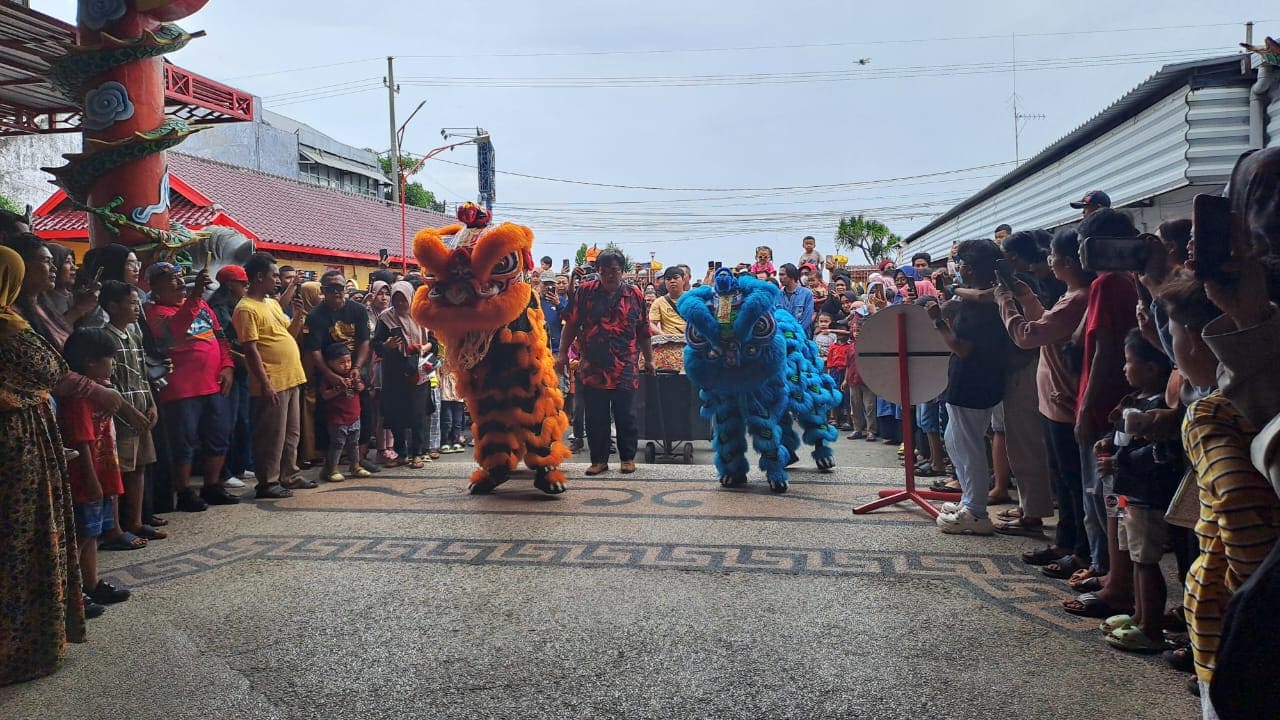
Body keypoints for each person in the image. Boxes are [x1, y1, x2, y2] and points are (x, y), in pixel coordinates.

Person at [0, 246, 88, 686]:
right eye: (41, 264)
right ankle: (20, 648)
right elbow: (53, 369)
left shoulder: (16, 317)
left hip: (27, 437)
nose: (52, 269)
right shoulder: (6, 327)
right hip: (15, 446)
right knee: (24, 537)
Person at [995, 228, 1093, 580]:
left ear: (1067, 262)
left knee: (1073, 481)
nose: (1047, 261)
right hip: (1054, 402)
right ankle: (1067, 543)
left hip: (1064, 402)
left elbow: (1028, 335)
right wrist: (1022, 293)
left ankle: (1081, 550)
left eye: (1051, 256)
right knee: (1064, 479)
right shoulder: (1071, 296)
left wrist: (1005, 300)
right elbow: (1043, 320)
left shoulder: (1079, 298)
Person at [1096, 330, 1181, 653]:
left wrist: (1118, 463)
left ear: (1152, 368)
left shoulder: (1159, 409)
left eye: (1129, 362)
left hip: (1144, 494)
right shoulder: (1136, 401)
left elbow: (1157, 454)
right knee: (1133, 554)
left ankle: (1151, 627)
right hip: (1124, 493)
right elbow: (1124, 438)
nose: (1123, 368)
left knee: (1146, 559)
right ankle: (1138, 614)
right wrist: (1108, 438)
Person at [1072, 208, 1140, 596]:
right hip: (1117, 401)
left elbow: (1104, 349)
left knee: (1104, 494)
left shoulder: (1108, 283)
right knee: (1111, 494)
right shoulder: (1126, 280)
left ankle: (1112, 573)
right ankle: (1110, 569)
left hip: (1102, 405)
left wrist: (1085, 408)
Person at [928, 239, 1014, 535]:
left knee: (968, 447)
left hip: (973, 382)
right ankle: (968, 500)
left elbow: (961, 347)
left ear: (971, 267)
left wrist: (939, 322)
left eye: (961, 262)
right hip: (974, 381)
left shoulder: (980, 307)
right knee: (956, 440)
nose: (958, 267)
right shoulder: (979, 299)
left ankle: (976, 511)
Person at [145, 262, 237, 511]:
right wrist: (195, 296)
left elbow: (220, 337)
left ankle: (213, 485)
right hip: (182, 389)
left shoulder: (203, 305)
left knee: (219, 436)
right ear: (154, 287)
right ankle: (183, 491)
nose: (177, 283)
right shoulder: (155, 312)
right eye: (170, 279)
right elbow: (174, 332)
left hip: (214, 384)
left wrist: (227, 366)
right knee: (184, 442)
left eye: (178, 277)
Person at [556, 247, 653, 476]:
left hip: (625, 365)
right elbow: (570, 324)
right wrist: (562, 355)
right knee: (595, 416)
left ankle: (627, 458)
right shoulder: (585, 292)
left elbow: (643, 329)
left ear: (622, 271)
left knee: (626, 414)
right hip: (593, 366)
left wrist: (649, 359)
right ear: (598, 271)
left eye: (615, 270)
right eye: (605, 270)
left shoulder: (635, 294)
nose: (610, 275)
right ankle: (598, 460)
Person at [58, 328, 133, 615]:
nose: (113, 364)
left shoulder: (97, 391)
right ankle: (70, 593)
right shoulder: (78, 399)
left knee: (93, 534)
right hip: (85, 477)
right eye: (110, 359)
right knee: (80, 535)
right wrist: (91, 479)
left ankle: (91, 583)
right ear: (91, 362)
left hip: (101, 473)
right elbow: (82, 441)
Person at [233, 253, 308, 499]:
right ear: (258, 277)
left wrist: (297, 316)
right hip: (272, 379)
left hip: (292, 376)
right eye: (274, 276)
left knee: (291, 433)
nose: (277, 280)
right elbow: (250, 348)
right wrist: (264, 382)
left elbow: (290, 333)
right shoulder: (245, 308)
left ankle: (289, 474)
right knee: (271, 435)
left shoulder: (272, 304)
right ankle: (267, 481)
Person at [99, 281, 163, 547]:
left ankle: (135, 521)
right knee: (118, 471)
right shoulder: (104, 337)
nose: (137, 308)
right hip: (121, 414)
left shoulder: (134, 333)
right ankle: (114, 528)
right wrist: (128, 411)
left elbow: (142, 373)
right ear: (113, 306)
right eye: (132, 303)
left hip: (141, 408)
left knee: (139, 467)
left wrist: (151, 403)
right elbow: (107, 381)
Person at [304, 271, 376, 474]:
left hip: (354, 368)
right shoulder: (316, 315)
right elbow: (315, 351)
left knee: (363, 412)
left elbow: (364, 341)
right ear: (323, 291)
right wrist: (330, 375)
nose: (336, 292)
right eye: (331, 288)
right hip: (328, 370)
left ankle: (358, 460)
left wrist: (356, 368)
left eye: (340, 288)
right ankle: (331, 464)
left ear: (345, 290)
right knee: (330, 418)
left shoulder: (359, 310)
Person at [373, 281, 435, 468]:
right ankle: (401, 453)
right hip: (394, 372)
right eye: (396, 299)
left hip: (419, 369)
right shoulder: (385, 318)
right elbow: (376, 343)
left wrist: (423, 348)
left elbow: (434, 341)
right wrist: (387, 345)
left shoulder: (421, 315)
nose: (400, 303)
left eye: (403, 299)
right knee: (396, 413)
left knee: (418, 414)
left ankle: (417, 453)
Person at [208, 265, 252, 490]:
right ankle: (224, 472)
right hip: (229, 368)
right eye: (242, 284)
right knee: (229, 421)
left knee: (242, 419)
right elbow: (225, 338)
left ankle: (239, 465)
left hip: (242, 369)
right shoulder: (219, 305)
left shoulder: (238, 303)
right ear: (229, 284)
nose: (246, 287)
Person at [318, 343, 370, 482]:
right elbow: (324, 395)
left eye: (348, 361)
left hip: (354, 416)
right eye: (341, 363)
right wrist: (339, 388)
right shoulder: (329, 378)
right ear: (330, 363)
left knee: (354, 443)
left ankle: (355, 466)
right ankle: (332, 469)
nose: (346, 365)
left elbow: (362, 386)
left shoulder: (352, 374)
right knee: (337, 444)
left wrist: (359, 386)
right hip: (338, 419)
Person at [775, 263, 814, 334]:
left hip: (801, 338)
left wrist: (794, 333)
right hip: (783, 337)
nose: (780, 278)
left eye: (783, 274)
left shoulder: (806, 294)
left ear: (792, 275)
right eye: (779, 275)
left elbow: (807, 319)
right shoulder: (777, 295)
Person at [649, 266, 686, 335]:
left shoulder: (692, 298)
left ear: (683, 280)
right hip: (669, 343)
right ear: (665, 282)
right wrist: (663, 336)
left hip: (691, 342)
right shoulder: (658, 302)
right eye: (668, 279)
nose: (672, 281)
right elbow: (651, 324)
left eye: (675, 278)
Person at [539, 270, 568, 352]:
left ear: (555, 285)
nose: (547, 287)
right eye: (545, 284)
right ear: (540, 283)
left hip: (557, 349)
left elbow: (569, 320)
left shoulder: (562, 301)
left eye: (551, 284)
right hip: (539, 348)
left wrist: (558, 304)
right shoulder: (534, 300)